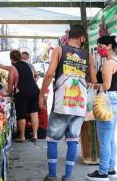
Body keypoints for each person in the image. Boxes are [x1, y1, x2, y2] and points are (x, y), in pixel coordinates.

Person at [39, 25, 97, 181]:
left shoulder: (59, 50)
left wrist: (42, 94)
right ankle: (68, 176)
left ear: (69, 36)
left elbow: (49, 73)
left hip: (61, 103)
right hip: (79, 104)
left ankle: (52, 176)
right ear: (82, 38)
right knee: (73, 139)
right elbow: (93, 80)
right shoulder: (88, 55)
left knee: (52, 138)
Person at [86, 36, 117, 181]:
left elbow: (106, 86)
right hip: (115, 101)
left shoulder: (108, 64)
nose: (98, 48)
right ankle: (110, 168)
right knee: (111, 139)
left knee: (105, 141)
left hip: (107, 102)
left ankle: (103, 172)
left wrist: (92, 85)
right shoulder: (116, 62)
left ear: (108, 46)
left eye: (100, 45)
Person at [1, 50, 40, 142]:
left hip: (22, 92)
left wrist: (8, 94)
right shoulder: (27, 65)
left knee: (21, 114)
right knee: (34, 112)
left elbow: (10, 87)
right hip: (34, 90)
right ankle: (35, 135)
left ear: (11, 59)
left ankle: (22, 136)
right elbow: (34, 76)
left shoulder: (13, 68)